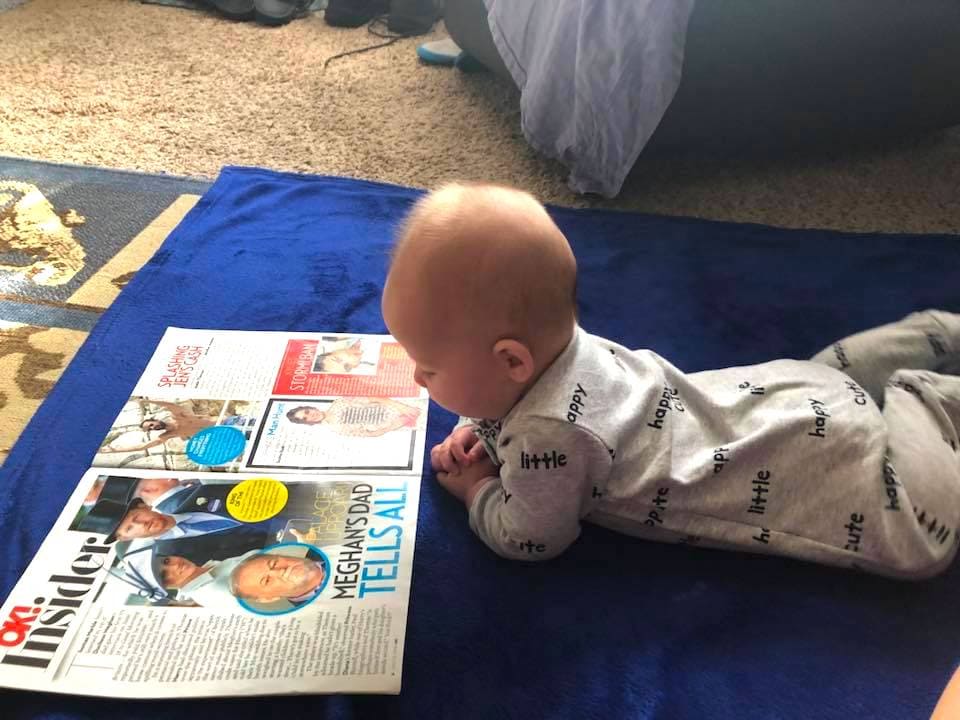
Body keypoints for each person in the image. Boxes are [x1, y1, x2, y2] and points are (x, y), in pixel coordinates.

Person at [381, 182, 960, 580]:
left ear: (511, 362)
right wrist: (479, 429)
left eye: (427, 367)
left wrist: (479, 488)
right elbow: (502, 396)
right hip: (787, 396)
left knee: (919, 543)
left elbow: (531, 537)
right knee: (830, 376)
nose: (415, 375)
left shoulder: (545, 440)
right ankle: (936, 335)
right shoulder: (565, 345)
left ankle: (926, 395)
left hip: (846, 474)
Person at [78, 497, 243, 542]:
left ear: (144, 507)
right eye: (129, 528)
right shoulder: (172, 555)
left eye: (136, 517)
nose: (142, 524)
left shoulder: (193, 495)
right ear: (125, 538)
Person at [98, 399, 217, 454]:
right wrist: (115, 450)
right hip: (218, 435)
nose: (152, 428)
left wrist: (147, 401)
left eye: (150, 425)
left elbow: (171, 405)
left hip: (223, 422)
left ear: (154, 420)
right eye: (149, 429)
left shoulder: (178, 417)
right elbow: (143, 446)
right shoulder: (169, 435)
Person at [230, 549, 327, 605]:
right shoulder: (310, 617)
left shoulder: (321, 544)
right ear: (268, 598)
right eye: (267, 580)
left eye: (273, 564)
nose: (280, 571)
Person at [285, 397, 421, 437]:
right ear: (307, 423)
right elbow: (372, 433)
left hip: (400, 405)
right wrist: (398, 423)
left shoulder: (339, 402)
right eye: (305, 418)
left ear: (311, 408)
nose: (311, 415)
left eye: (307, 411)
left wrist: (403, 408)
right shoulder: (337, 429)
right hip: (398, 424)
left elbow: (376, 399)